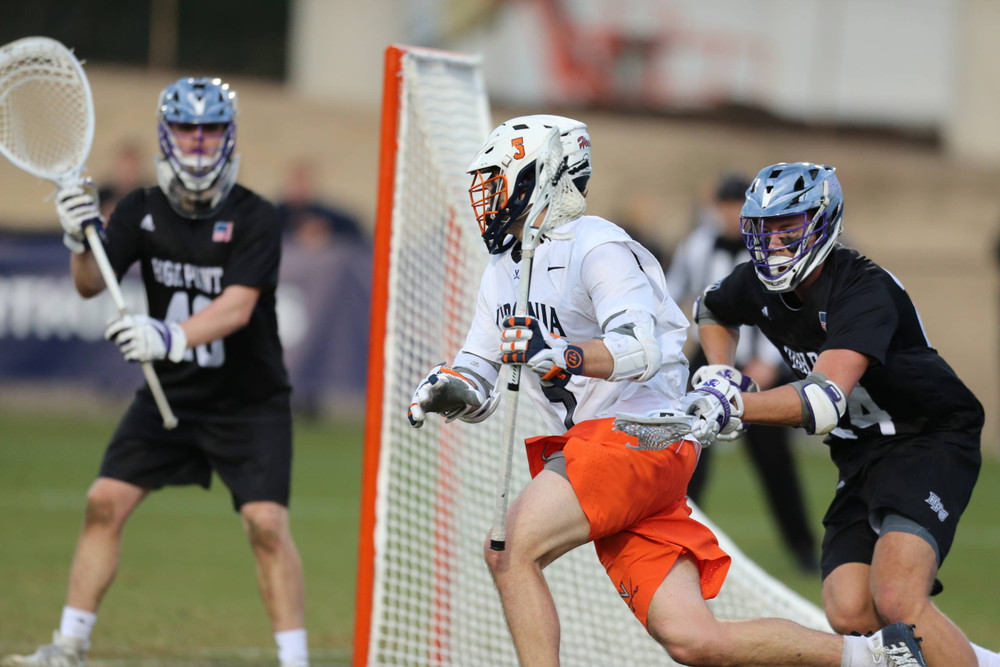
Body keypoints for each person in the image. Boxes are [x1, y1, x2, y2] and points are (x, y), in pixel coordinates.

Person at [406, 117, 928, 667]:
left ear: (548, 176)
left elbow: (642, 350)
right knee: (694, 641)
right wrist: (451, 389)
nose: (486, 194)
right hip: (607, 447)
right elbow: (481, 373)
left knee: (511, 551)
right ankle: (877, 657)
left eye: (500, 178)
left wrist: (562, 353)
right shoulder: (502, 270)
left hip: (637, 433)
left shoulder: (597, 245)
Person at [1, 78, 309, 667]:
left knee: (266, 525)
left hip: (248, 402)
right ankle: (69, 647)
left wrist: (168, 335)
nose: (198, 143)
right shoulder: (141, 209)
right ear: (167, 136)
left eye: (210, 130)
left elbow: (238, 307)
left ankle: (295, 661)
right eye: (188, 130)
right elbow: (91, 285)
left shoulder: (256, 216)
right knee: (103, 501)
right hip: (172, 393)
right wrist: (77, 239)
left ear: (228, 136)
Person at [678, 161, 996, 667]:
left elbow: (823, 401)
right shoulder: (760, 284)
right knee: (849, 611)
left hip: (926, 438)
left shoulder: (863, 290)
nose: (774, 243)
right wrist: (721, 372)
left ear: (824, 223)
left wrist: (733, 404)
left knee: (897, 600)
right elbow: (712, 308)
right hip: (861, 449)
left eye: (789, 227)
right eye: (764, 229)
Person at [666, 171, 819, 573]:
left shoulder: (770, 247)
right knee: (690, 452)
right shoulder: (697, 245)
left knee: (774, 462)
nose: (731, 214)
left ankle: (802, 548)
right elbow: (672, 293)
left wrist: (767, 364)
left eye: (738, 207)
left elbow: (788, 307)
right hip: (711, 359)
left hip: (762, 361)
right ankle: (678, 535)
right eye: (725, 206)